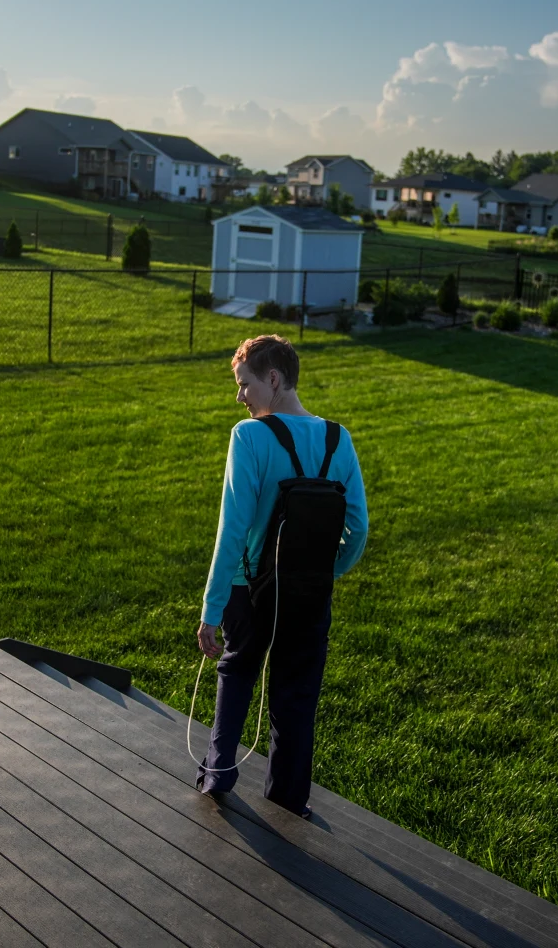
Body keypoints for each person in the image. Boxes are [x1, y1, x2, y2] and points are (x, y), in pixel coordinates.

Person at [196, 333, 368, 818]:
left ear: (273, 379)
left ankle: (218, 775)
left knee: (237, 670)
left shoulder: (248, 436)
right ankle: (289, 799)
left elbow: (233, 529)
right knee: (297, 692)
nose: (239, 397)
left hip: (249, 588)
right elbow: (358, 527)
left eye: (244, 384)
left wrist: (212, 609)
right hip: (308, 592)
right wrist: (326, 570)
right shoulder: (337, 438)